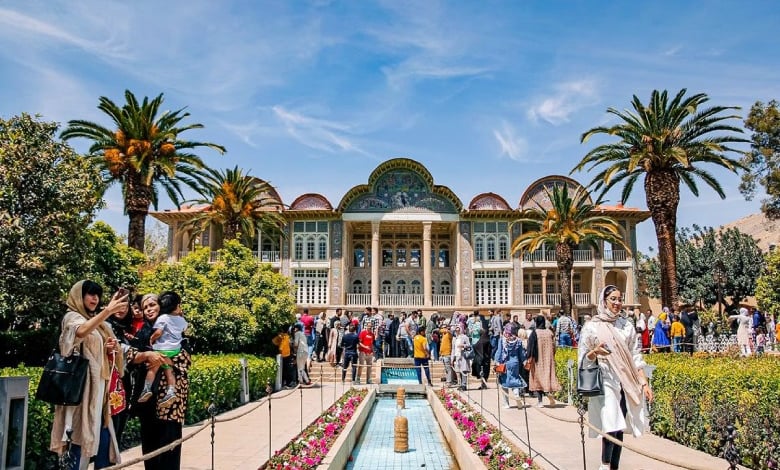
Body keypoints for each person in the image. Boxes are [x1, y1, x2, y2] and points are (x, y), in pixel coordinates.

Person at [50, 281, 129, 470]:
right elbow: (81, 332)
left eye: (97, 295)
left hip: (101, 390)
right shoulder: (72, 317)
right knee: (78, 435)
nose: (95, 299)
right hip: (81, 390)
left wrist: (110, 349)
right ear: (79, 296)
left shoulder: (101, 323)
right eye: (90, 294)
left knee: (102, 437)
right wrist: (108, 311)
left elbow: (108, 352)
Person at [579, 285, 653, 470]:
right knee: (611, 422)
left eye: (619, 299)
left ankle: (613, 466)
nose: (617, 303)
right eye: (613, 299)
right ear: (604, 301)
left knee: (619, 426)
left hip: (625, 381)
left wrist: (643, 383)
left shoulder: (626, 326)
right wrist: (594, 352)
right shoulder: (592, 326)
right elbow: (582, 358)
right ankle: (604, 465)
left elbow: (635, 356)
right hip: (605, 379)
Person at [138, 292, 188, 407]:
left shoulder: (162, 320)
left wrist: (160, 357)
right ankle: (169, 392)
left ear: (161, 306)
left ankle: (148, 389)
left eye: (152, 305)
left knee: (156, 370)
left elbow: (186, 360)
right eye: (145, 307)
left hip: (171, 407)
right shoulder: (141, 332)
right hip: (150, 404)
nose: (148, 310)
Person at [527, 315, 561, 407]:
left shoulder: (535, 333)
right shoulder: (549, 332)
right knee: (547, 377)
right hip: (549, 359)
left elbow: (530, 346)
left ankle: (540, 401)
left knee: (537, 379)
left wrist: (529, 357)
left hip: (538, 360)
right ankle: (549, 393)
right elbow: (554, 346)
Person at [493, 323, 527, 409]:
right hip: (515, 363)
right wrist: (524, 361)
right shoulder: (518, 340)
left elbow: (499, 351)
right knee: (515, 379)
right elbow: (521, 353)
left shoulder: (502, 340)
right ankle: (516, 394)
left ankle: (506, 403)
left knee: (504, 382)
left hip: (505, 363)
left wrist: (496, 361)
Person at [452, 325, 471, 391]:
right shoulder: (455, 338)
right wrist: (452, 358)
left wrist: (463, 345)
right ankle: (461, 384)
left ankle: (464, 385)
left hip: (463, 356)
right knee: (459, 371)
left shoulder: (465, 337)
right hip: (457, 356)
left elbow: (469, 345)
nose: (457, 331)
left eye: (458, 330)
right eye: (456, 330)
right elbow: (453, 349)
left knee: (464, 370)